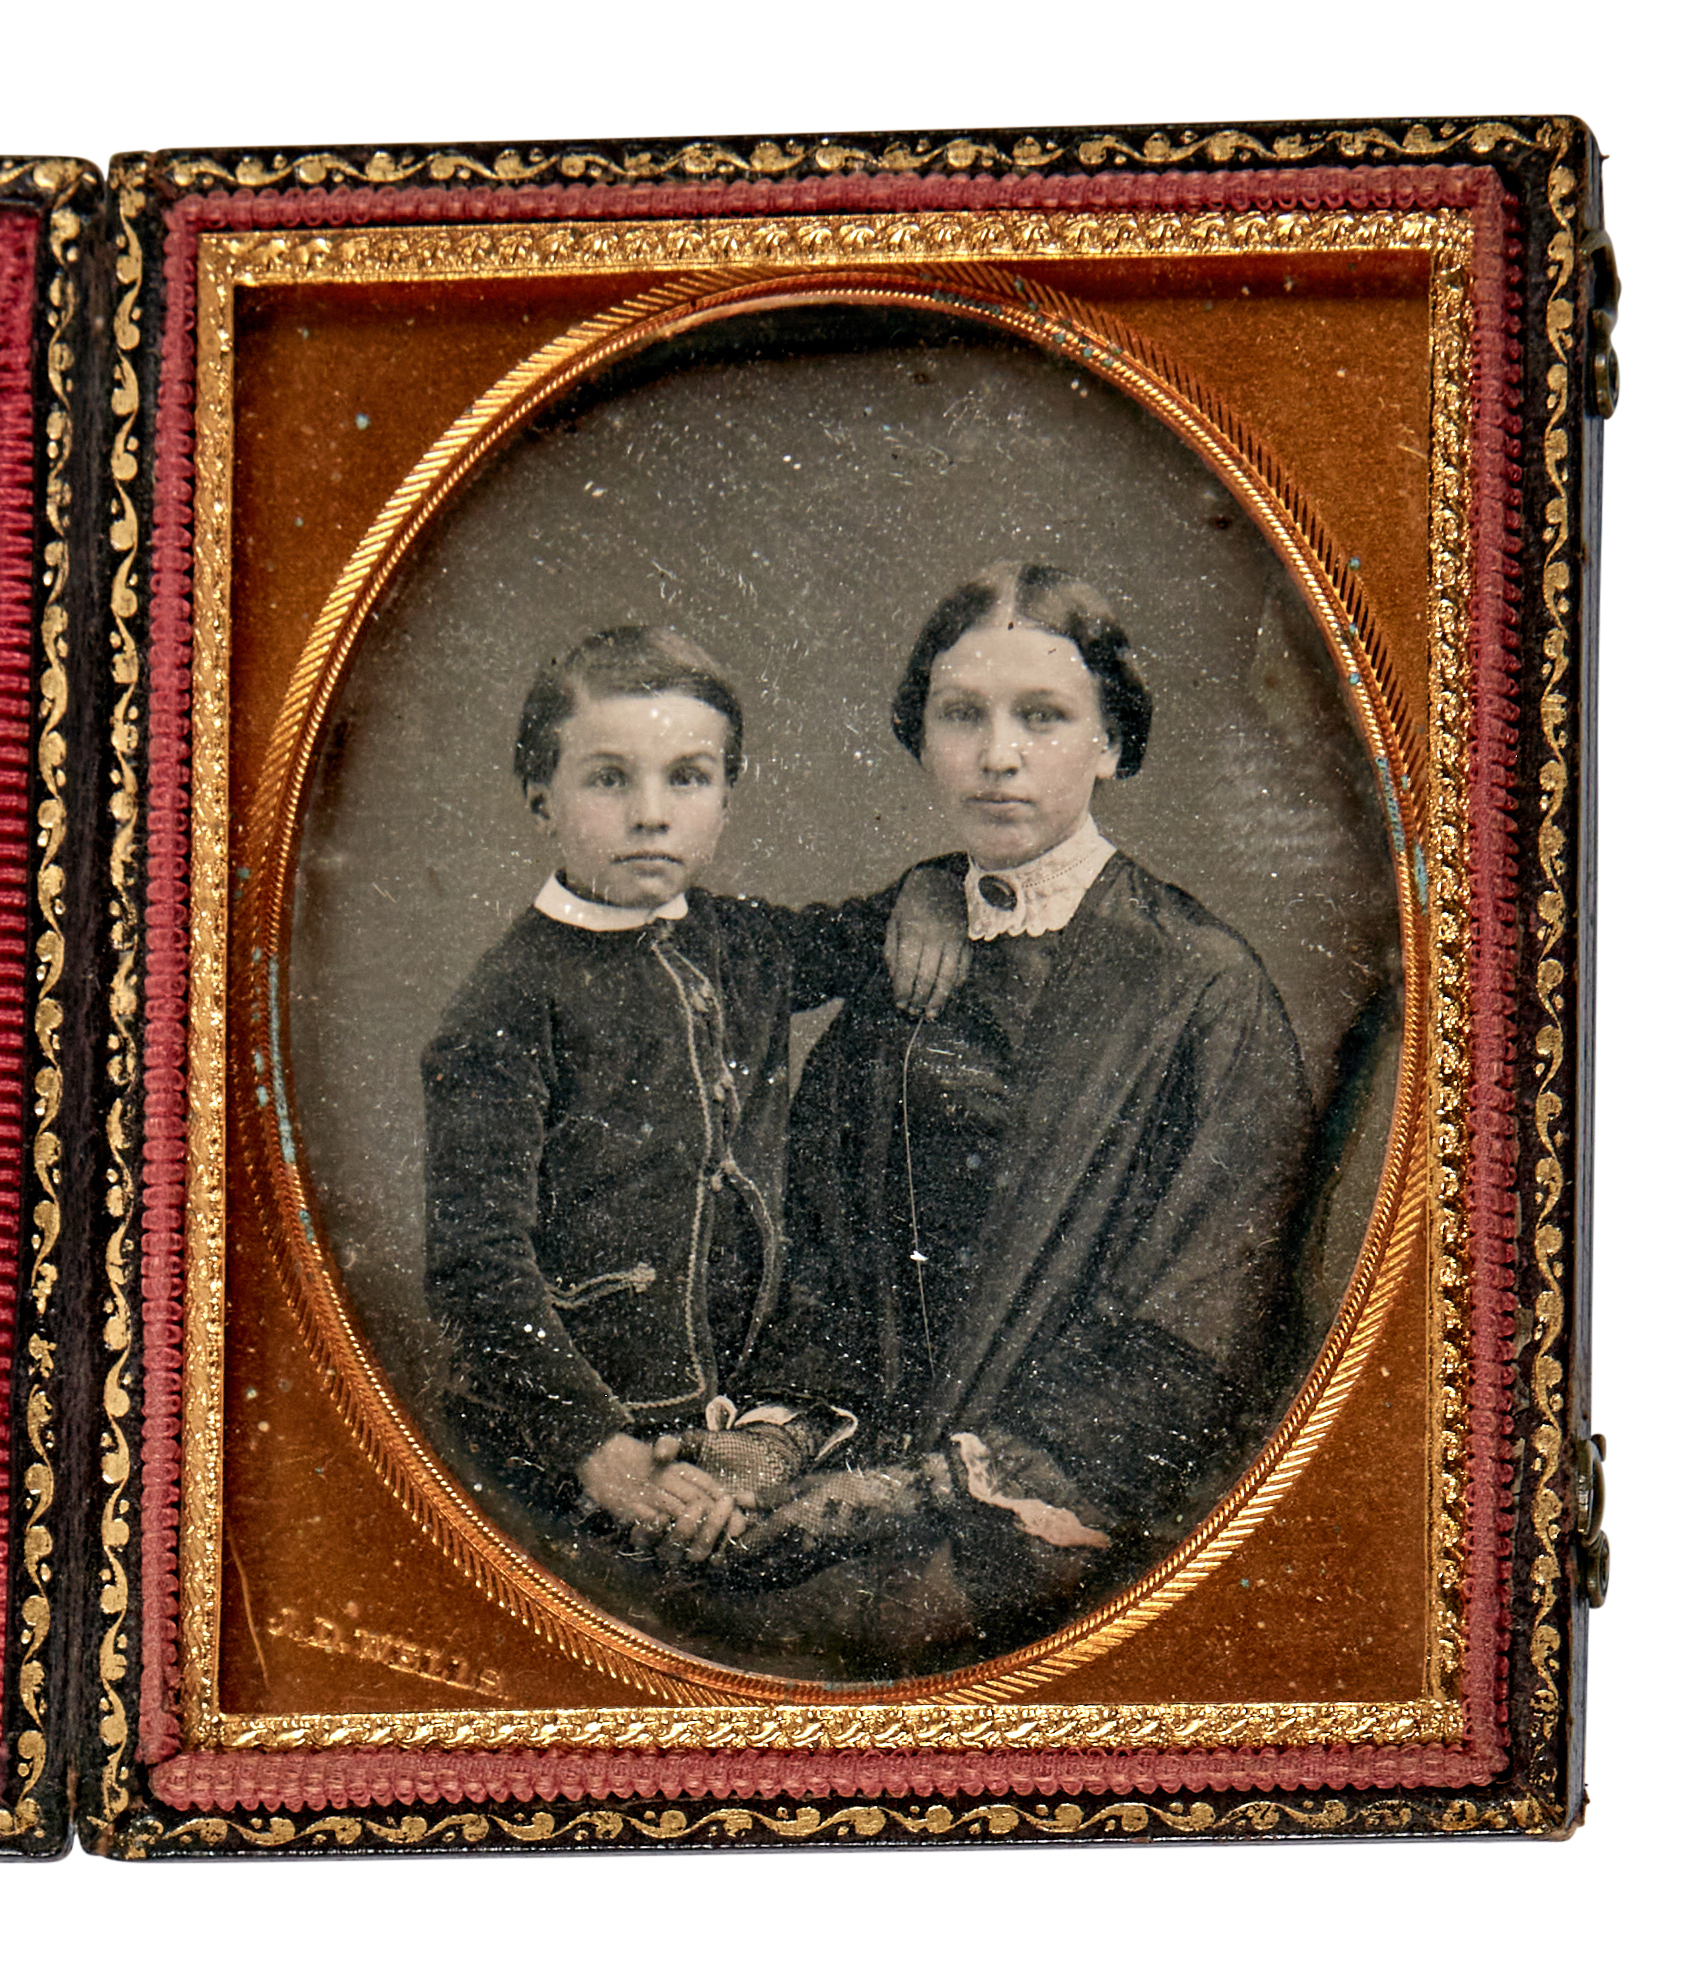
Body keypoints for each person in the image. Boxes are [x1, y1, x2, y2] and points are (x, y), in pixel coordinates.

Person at [720, 564, 1313, 1676]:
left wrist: (927, 1486)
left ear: (1112, 743)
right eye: (963, 715)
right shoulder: (905, 964)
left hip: (1068, 1532)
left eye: (1043, 716)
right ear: (921, 737)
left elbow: (1203, 1331)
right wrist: (780, 1435)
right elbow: (826, 1282)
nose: (998, 755)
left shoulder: (1199, 985)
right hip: (848, 1509)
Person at [422, 625, 963, 1599]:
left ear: (724, 796)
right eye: (608, 779)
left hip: (736, 1420)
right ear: (539, 794)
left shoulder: (740, 941)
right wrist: (595, 1445)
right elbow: (477, 1265)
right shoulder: (508, 1005)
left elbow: (854, 931)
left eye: (687, 777)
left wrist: (928, 888)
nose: (650, 814)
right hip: (580, 1441)